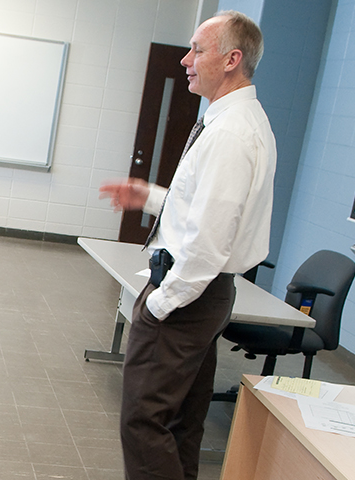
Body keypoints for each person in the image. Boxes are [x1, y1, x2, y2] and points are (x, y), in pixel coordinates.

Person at [99, 11, 275, 480]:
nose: (185, 60)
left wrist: (160, 303)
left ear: (232, 59)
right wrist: (150, 197)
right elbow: (203, 210)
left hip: (188, 296)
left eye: (198, 50)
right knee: (181, 421)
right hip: (206, 293)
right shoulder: (234, 121)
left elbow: (208, 241)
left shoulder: (232, 133)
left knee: (142, 420)